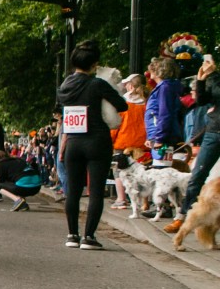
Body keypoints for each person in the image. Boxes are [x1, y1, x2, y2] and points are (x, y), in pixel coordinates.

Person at [56, 39, 129, 250]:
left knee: (73, 190)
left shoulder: (64, 86)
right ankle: (89, 236)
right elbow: (122, 105)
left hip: (73, 141)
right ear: (95, 64)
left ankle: (72, 234)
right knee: (96, 190)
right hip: (97, 139)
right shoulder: (97, 84)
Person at [164, 54, 220, 235]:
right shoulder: (216, 78)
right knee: (197, 175)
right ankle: (183, 216)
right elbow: (202, 101)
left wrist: (212, 76)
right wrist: (202, 80)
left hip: (214, 130)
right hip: (213, 132)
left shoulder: (216, 78)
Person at [110, 72, 147, 209]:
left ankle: (121, 199)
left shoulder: (123, 103)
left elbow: (115, 124)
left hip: (123, 142)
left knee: (119, 170)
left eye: (126, 84)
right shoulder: (147, 102)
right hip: (142, 143)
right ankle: (143, 202)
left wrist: (110, 140)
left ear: (131, 86)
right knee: (141, 172)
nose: (125, 87)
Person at [144, 56, 184, 169]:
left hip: (163, 137)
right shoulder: (166, 87)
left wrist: (159, 139)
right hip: (161, 134)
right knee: (161, 168)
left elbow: (164, 114)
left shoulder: (164, 88)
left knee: (161, 170)